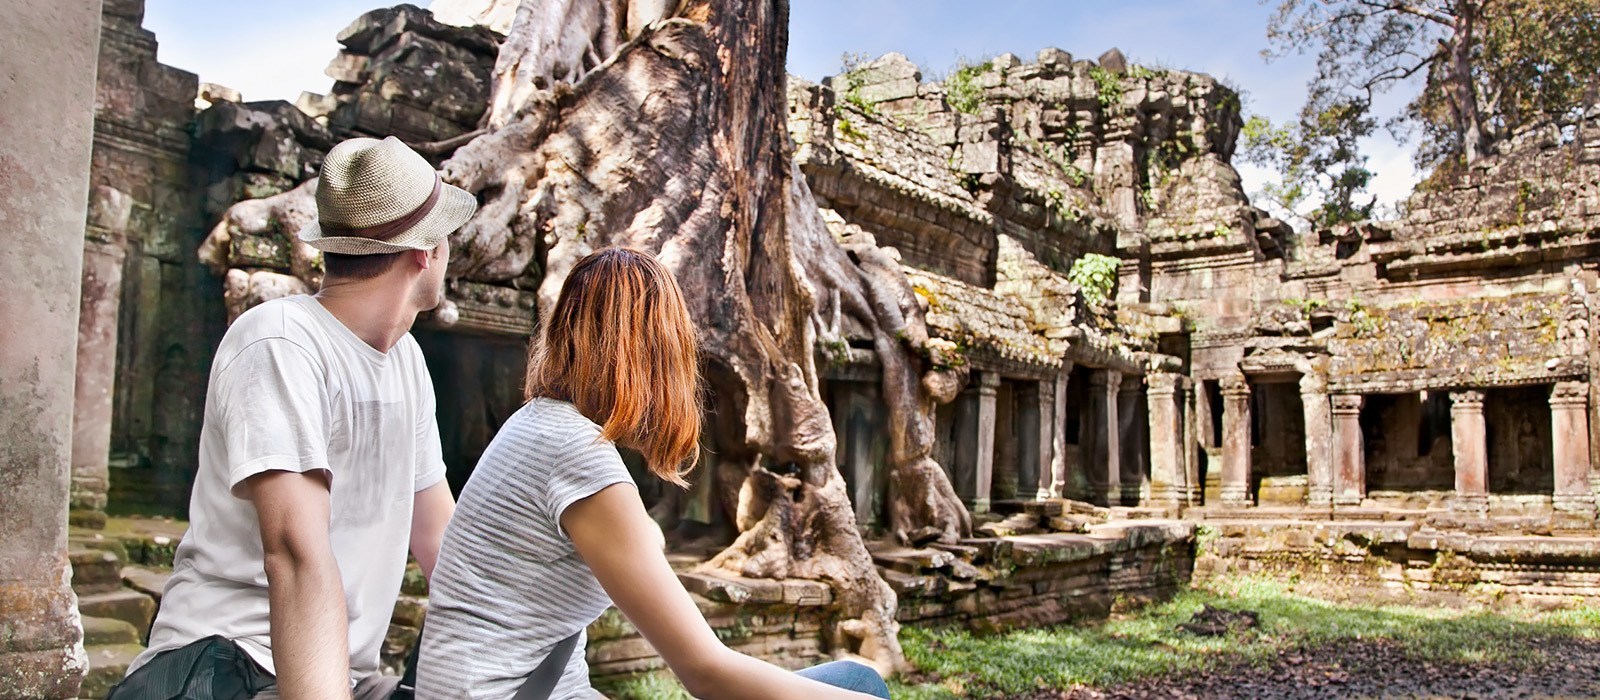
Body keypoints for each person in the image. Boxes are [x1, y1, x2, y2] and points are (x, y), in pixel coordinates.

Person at [417, 248, 891, 699]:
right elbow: (704, 670)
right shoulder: (577, 453)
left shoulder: (538, 423)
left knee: (848, 677)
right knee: (859, 685)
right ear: (655, 354)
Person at [110, 136, 477, 700]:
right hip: (227, 661)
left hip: (339, 676)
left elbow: (442, 545)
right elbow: (295, 556)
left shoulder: (405, 360)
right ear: (424, 252)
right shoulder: (280, 341)